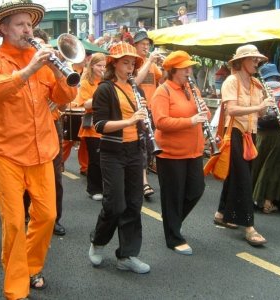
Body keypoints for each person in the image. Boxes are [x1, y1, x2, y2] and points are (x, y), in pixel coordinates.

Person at [0, 1, 77, 299]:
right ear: (3, 28)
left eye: (29, 24)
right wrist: (31, 68)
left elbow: (65, 96)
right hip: (7, 153)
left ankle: (31, 265)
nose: (27, 30)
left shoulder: (43, 59)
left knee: (46, 216)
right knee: (15, 222)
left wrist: (59, 69)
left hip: (44, 151)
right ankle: (16, 286)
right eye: (19, 24)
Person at [89, 42, 150, 274]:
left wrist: (144, 118)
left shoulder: (138, 89)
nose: (130, 67)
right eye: (125, 62)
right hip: (112, 152)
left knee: (134, 204)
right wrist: (130, 120)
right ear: (113, 64)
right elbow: (99, 125)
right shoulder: (105, 89)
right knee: (115, 205)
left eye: (133, 63)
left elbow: (140, 121)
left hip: (135, 150)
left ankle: (127, 255)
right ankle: (98, 241)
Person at [213, 44, 275, 246]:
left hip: (251, 134)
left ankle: (221, 214)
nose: (257, 62)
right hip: (235, 133)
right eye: (252, 59)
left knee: (236, 175)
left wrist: (267, 104)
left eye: (258, 59)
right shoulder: (231, 81)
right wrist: (259, 106)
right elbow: (232, 110)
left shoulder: (257, 84)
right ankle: (249, 227)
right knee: (244, 179)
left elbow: (260, 114)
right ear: (241, 62)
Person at [151, 50, 210, 255]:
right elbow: (160, 122)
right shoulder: (163, 91)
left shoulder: (191, 89)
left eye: (190, 67)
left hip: (193, 151)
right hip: (171, 153)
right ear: (173, 70)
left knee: (196, 190)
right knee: (173, 197)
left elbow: (204, 115)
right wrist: (190, 121)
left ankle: (173, 222)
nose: (189, 71)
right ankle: (174, 237)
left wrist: (203, 112)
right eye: (185, 68)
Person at [23, 27, 67, 236]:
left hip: (52, 125)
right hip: (27, 128)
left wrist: (56, 104)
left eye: (39, 44)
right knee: (26, 175)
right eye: (33, 44)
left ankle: (54, 219)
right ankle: (27, 215)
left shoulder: (52, 66)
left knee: (55, 176)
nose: (36, 49)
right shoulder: (24, 66)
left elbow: (66, 102)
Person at [252, 63, 280, 213]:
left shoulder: (257, 88)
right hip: (279, 132)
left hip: (261, 133)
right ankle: (268, 203)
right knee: (274, 167)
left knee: (258, 164)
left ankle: (254, 198)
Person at [134, 31, 163, 199]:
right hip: (137, 109)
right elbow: (136, 81)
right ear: (135, 45)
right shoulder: (134, 62)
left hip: (151, 109)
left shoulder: (152, 64)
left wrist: (166, 66)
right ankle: (143, 181)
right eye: (142, 44)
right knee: (142, 146)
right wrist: (151, 60)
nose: (146, 47)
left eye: (147, 44)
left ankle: (141, 176)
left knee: (148, 146)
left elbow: (162, 80)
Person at [77, 53, 106, 201]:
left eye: (104, 65)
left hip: (107, 125)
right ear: (92, 66)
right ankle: (94, 188)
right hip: (93, 127)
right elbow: (86, 104)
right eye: (99, 65)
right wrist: (102, 94)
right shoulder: (86, 82)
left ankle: (106, 187)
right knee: (95, 160)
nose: (102, 68)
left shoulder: (107, 80)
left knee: (107, 159)